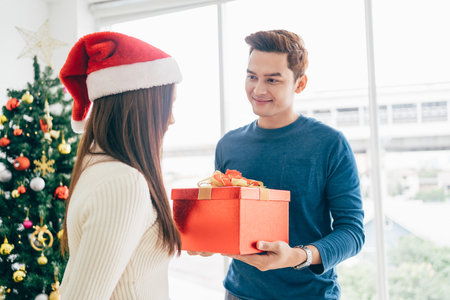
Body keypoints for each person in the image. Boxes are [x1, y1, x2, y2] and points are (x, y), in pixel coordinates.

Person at [213, 30, 365, 299]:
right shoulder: (228, 145)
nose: (258, 89)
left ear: (300, 83)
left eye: (272, 80)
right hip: (239, 293)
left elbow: (352, 232)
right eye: (252, 77)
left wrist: (298, 256)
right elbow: (226, 221)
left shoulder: (330, 144)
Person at [58, 32, 182, 299]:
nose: (171, 120)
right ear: (141, 109)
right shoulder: (124, 182)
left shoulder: (99, 167)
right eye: (167, 107)